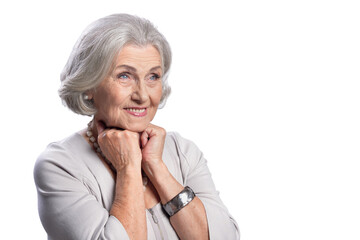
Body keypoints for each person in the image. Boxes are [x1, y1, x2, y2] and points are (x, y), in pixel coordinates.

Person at [34, 13, 240, 240]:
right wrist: (128, 168)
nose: (142, 95)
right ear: (89, 84)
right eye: (124, 76)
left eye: (153, 76)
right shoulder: (60, 165)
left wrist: (156, 167)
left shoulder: (183, 151)